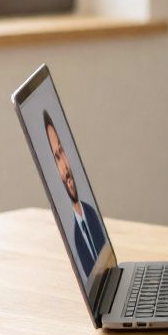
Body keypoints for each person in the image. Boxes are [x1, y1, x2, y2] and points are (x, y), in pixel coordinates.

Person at [45, 110, 106, 274]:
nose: (64, 165)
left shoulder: (92, 215)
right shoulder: (75, 238)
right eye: (57, 158)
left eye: (62, 151)